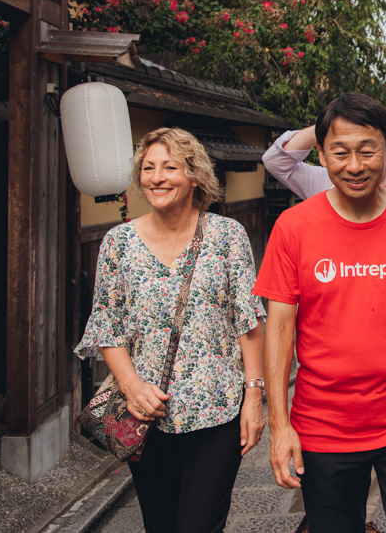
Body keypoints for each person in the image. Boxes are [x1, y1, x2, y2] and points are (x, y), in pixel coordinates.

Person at [255, 92, 386, 533]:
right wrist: (280, 425)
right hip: (324, 423)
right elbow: (279, 329)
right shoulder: (293, 228)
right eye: (340, 152)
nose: (354, 166)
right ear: (321, 153)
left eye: (367, 150)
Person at [75, 127, 266, 533]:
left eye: (169, 167)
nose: (156, 177)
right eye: (148, 168)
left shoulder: (226, 236)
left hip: (217, 410)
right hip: (147, 413)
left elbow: (248, 322)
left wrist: (254, 396)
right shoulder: (118, 243)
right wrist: (130, 387)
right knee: (159, 525)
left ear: (193, 175)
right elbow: (107, 326)